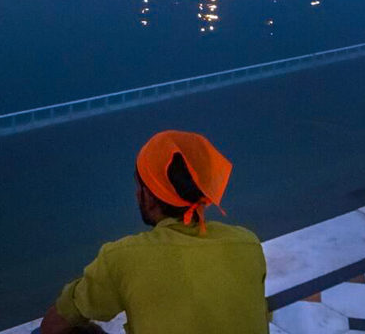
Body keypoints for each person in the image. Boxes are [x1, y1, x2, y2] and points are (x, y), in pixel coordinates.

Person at [40, 130, 268, 334]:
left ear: (149, 197)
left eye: (140, 186)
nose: (137, 194)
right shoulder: (247, 244)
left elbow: (54, 324)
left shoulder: (123, 257)